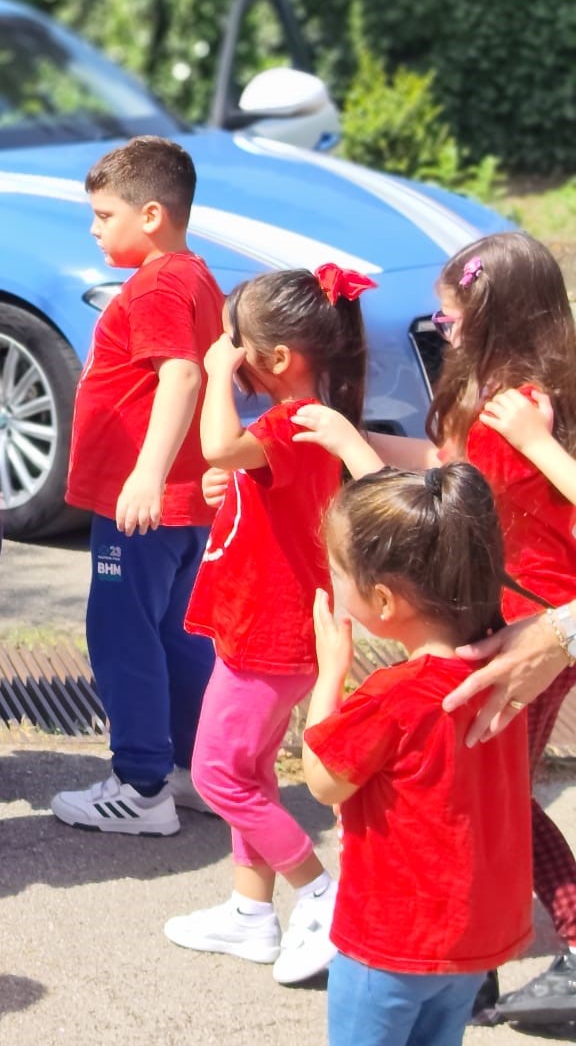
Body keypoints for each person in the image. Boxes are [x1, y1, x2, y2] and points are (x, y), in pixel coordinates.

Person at [295, 230, 576, 1022]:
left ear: (496, 316)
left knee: (497, 793)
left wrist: (537, 445)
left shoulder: (527, 405)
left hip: (535, 631)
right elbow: (444, 469)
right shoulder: (486, 388)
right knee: (486, 784)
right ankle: (468, 951)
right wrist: (354, 442)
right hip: (497, 615)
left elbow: (456, 506)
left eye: (452, 315)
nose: (441, 326)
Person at [162, 265, 372, 986]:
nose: (230, 352)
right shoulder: (293, 425)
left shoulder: (289, 421)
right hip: (272, 625)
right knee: (248, 770)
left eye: (237, 343)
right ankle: (251, 913)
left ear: (278, 360)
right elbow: (245, 477)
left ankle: (318, 892)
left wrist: (214, 373)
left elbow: (218, 446)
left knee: (219, 774)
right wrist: (235, 483)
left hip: (270, 632)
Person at [302, 466, 531, 1046]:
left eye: (338, 572)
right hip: (471, 938)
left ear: (382, 599)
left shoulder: (395, 693)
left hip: (391, 941)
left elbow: (324, 781)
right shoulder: (504, 676)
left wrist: (330, 674)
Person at [52, 136, 225, 836]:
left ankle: (141, 785)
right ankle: (195, 767)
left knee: (122, 634)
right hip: (186, 503)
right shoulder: (195, 276)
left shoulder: (154, 285)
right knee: (182, 634)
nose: (94, 229)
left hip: (143, 504)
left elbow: (179, 374)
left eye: (104, 215)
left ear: (151, 214)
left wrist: (145, 474)